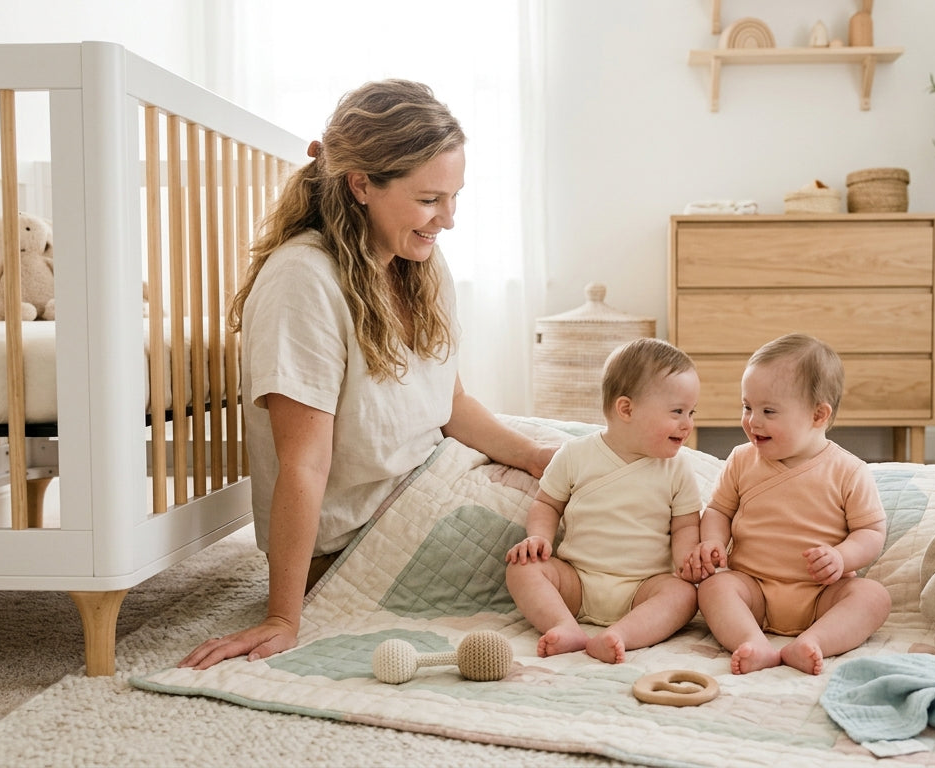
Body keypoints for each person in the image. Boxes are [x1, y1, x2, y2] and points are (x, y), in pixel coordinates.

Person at [180, 79, 554, 671]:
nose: (448, 220)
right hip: (365, 537)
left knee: (611, 456)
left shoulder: (417, 261)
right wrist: (282, 616)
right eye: (431, 198)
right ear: (361, 184)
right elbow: (302, 464)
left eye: (455, 197)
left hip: (432, 476)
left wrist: (535, 456)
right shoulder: (304, 281)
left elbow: (449, 403)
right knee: (626, 504)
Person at [686, 333, 891, 675]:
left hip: (822, 595)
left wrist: (842, 557)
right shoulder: (740, 460)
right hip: (754, 590)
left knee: (873, 597)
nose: (753, 420)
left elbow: (870, 531)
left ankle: (813, 642)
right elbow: (719, 510)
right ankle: (752, 641)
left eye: (768, 411)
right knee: (713, 587)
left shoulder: (848, 471)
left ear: (817, 415)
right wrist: (713, 542)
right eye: (747, 406)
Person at [505, 338, 703, 664]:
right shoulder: (575, 454)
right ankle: (563, 625)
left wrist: (685, 561)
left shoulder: (677, 467)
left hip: (643, 588)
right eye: (677, 412)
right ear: (626, 409)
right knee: (521, 568)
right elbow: (547, 504)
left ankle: (621, 635)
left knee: (683, 595)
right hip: (577, 581)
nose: (688, 424)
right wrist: (538, 538)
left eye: (692, 412)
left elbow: (685, 524)